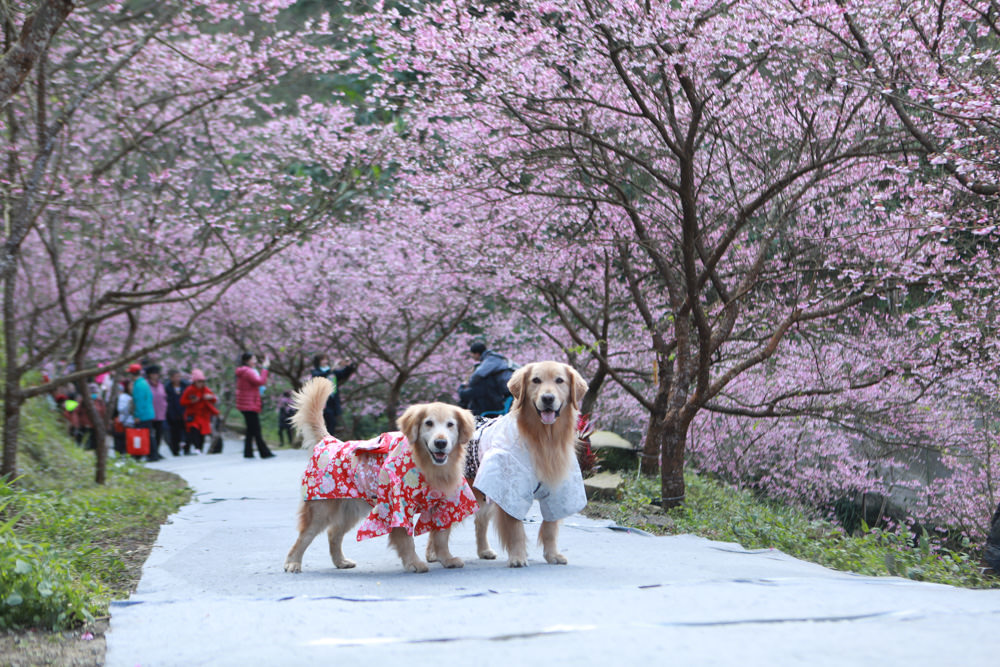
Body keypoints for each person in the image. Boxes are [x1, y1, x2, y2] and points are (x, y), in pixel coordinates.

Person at [458, 341, 515, 416]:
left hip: (508, 386)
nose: (472, 356)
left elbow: (478, 374)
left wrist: (468, 383)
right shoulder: (492, 358)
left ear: (477, 353)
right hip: (504, 389)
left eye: (472, 354)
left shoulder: (491, 359)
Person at [235, 352, 274, 459]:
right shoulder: (248, 372)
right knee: (256, 429)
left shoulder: (244, 371)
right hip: (249, 403)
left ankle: (248, 453)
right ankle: (264, 452)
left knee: (251, 429)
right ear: (247, 361)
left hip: (245, 403)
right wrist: (265, 368)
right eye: (253, 359)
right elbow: (260, 381)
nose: (255, 361)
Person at [309, 354, 357, 436]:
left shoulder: (332, 372)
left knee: (333, 421)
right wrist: (331, 369)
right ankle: (323, 439)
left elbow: (343, 374)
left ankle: (329, 439)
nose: (325, 361)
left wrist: (348, 366)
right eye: (322, 360)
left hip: (333, 399)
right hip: (322, 399)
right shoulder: (316, 371)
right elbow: (320, 375)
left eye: (326, 359)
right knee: (324, 420)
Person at [180, 369, 219, 455]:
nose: (201, 383)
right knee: (194, 431)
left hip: (204, 415)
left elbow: (214, 399)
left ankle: (199, 449)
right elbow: (182, 401)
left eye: (202, 381)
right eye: (199, 381)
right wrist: (191, 401)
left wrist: (210, 397)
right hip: (193, 415)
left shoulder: (206, 390)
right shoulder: (189, 390)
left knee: (203, 432)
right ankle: (195, 447)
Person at [129, 363, 162, 462]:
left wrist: (137, 415)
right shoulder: (144, 383)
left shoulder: (138, 385)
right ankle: (151, 454)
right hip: (148, 412)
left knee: (145, 435)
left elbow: (139, 401)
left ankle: (151, 454)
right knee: (148, 434)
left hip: (143, 414)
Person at [164, 370, 188, 456]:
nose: (178, 378)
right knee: (174, 433)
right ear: (171, 378)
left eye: (179, 376)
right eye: (176, 376)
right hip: (172, 414)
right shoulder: (167, 387)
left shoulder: (185, 385)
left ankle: (186, 449)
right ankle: (175, 450)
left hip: (184, 412)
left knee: (186, 432)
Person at [147, 365, 168, 458]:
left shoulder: (161, 385)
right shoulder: (146, 385)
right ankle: (151, 452)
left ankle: (157, 451)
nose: (155, 375)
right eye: (153, 374)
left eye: (157, 373)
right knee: (150, 434)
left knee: (159, 434)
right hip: (150, 413)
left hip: (161, 413)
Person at [112, 378, 136, 455]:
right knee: (124, 439)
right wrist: (129, 405)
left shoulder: (132, 395)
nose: (132, 387)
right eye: (131, 385)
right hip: (125, 422)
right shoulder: (123, 397)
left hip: (131, 421)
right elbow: (121, 409)